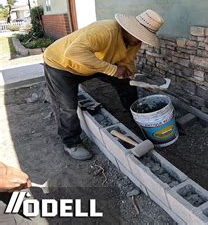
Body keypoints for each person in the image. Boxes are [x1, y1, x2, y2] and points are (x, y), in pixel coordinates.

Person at [43, 10, 164, 160]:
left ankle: (135, 115)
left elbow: (127, 62)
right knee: (67, 107)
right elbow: (73, 53)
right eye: (139, 36)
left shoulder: (134, 41)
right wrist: (113, 70)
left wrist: (132, 74)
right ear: (129, 29)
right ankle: (71, 143)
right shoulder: (105, 31)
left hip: (91, 64)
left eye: (143, 38)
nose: (141, 41)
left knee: (125, 84)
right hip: (61, 65)